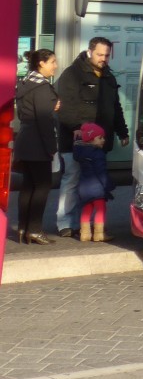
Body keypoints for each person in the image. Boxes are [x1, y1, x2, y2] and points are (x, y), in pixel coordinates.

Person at [55, 37, 129, 238]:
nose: (103, 59)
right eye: (99, 54)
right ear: (89, 52)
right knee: (72, 179)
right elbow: (65, 109)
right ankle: (66, 222)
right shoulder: (72, 74)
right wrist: (80, 131)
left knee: (93, 185)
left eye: (106, 55)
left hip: (99, 143)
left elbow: (115, 107)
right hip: (74, 140)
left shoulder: (108, 77)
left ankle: (88, 224)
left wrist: (123, 132)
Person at [12, 49, 61, 245]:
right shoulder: (41, 88)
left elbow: (25, 114)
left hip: (25, 141)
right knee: (42, 186)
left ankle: (23, 227)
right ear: (41, 63)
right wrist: (51, 147)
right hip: (38, 144)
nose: (55, 66)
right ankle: (34, 229)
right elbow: (44, 120)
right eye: (52, 62)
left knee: (28, 186)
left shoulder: (26, 83)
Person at [74, 122, 116, 243]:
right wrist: (107, 185)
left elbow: (76, 146)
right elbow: (101, 172)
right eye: (100, 138)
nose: (103, 140)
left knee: (86, 209)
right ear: (91, 139)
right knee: (101, 209)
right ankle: (99, 234)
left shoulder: (81, 152)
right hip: (97, 187)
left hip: (84, 187)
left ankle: (85, 234)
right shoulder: (98, 154)